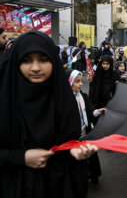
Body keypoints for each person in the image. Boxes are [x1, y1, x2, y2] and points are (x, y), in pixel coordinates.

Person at [0, 31, 98, 198]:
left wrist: (74, 151)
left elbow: (68, 142)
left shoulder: (63, 100)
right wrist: (19, 157)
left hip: (57, 184)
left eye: (43, 59)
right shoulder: (4, 100)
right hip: (13, 185)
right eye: (27, 60)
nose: (36, 67)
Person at [66, 69, 105, 185]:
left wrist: (98, 111)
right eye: (77, 81)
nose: (81, 84)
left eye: (81, 81)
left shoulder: (83, 96)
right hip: (73, 138)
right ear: (69, 82)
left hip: (86, 134)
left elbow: (90, 112)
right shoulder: (65, 101)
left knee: (89, 157)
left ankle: (90, 175)